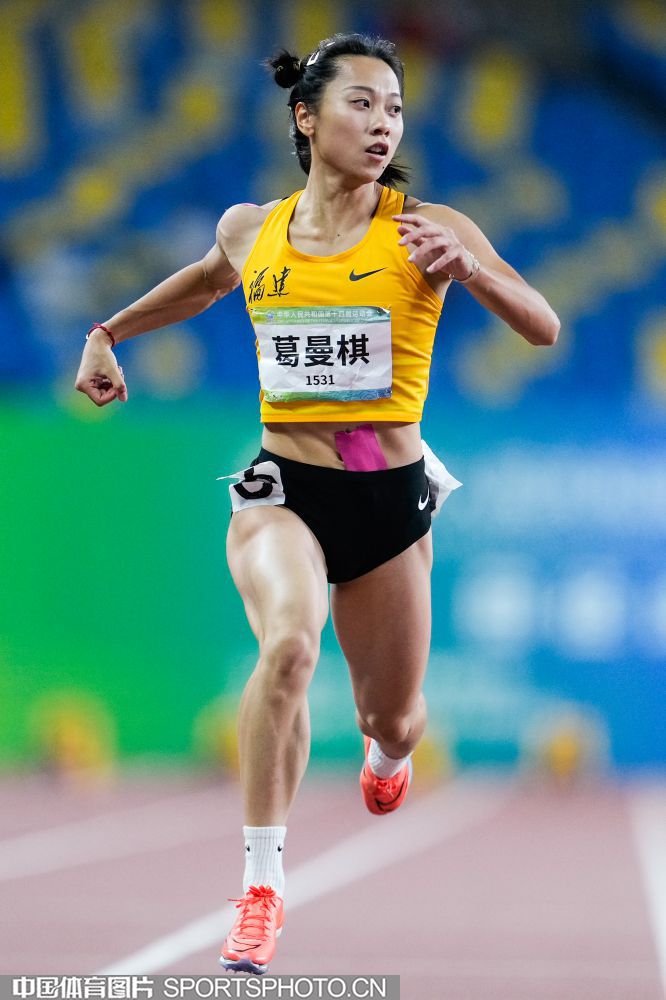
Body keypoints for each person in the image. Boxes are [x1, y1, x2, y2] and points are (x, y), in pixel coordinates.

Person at [75, 32, 559, 975]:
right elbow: (205, 283)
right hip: (281, 490)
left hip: (388, 501)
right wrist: (108, 332)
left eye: (396, 109)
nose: (384, 125)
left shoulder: (428, 226)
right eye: (361, 104)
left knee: (395, 720)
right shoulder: (250, 228)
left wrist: (470, 268)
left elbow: (541, 325)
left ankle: (388, 758)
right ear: (306, 116)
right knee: (290, 648)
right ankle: (261, 888)